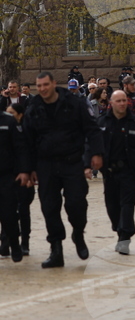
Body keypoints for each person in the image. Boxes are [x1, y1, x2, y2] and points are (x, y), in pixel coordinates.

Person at [22, 71, 104, 268]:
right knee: (49, 207)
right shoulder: (33, 107)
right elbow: (26, 141)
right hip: (46, 164)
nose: (42, 89)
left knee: (76, 203)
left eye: (45, 85)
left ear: (54, 84)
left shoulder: (73, 103)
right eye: (38, 86)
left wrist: (96, 153)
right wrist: (28, 168)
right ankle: (56, 249)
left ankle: (78, 232)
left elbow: (91, 128)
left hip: (72, 161)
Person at [94, 91, 135, 255]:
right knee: (112, 206)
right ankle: (119, 229)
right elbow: (92, 145)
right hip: (109, 173)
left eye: (124, 100)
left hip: (129, 171)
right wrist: (89, 164)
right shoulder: (102, 122)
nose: (122, 103)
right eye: (119, 101)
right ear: (111, 102)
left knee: (127, 205)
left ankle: (125, 238)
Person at [0, 103, 30, 262]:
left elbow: (20, 148)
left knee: (8, 214)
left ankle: (14, 242)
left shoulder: (8, 121)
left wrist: (24, 170)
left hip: (5, 175)